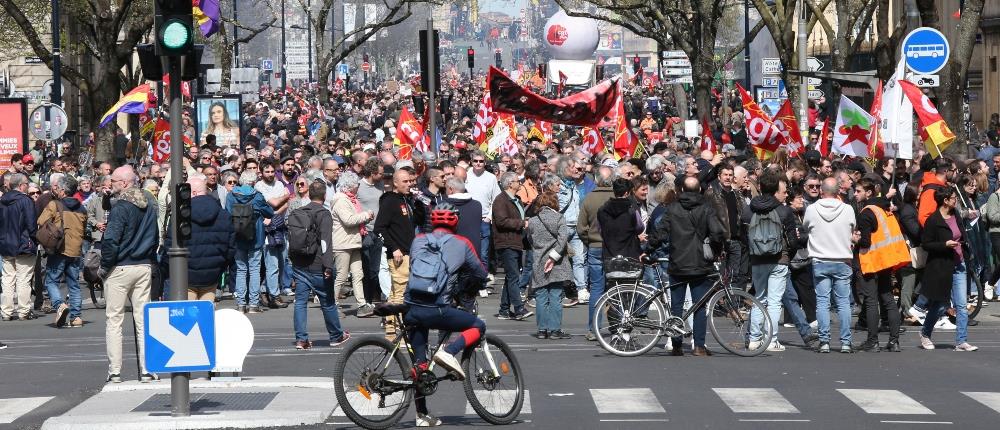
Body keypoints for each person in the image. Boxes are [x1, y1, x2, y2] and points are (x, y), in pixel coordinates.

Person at [402, 202, 488, 427]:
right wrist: (466, 287)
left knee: (420, 366)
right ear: (455, 221)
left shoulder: (418, 240)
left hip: (411, 307)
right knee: (478, 326)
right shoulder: (462, 243)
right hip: (437, 308)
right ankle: (449, 352)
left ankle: (422, 416)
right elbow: (480, 272)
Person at [648, 177, 726, 356]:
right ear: (699, 190)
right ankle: (699, 345)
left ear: (681, 189)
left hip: (678, 262)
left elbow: (660, 232)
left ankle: (676, 344)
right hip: (700, 263)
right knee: (699, 306)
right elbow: (717, 233)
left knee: (676, 306)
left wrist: (647, 248)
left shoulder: (673, 208)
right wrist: (717, 250)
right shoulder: (706, 208)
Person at [99, 166, 159, 383]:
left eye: (113, 181)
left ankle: (115, 371)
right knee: (143, 319)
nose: (110, 184)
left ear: (124, 183)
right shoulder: (150, 205)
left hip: (120, 266)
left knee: (114, 320)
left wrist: (105, 267)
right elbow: (155, 236)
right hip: (142, 264)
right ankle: (147, 369)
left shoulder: (121, 208)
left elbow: (111, 240)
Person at [742, 170, 803, 352]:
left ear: (760, 187)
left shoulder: (748, 210)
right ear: (776, 188)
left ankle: (754, 339)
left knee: (759, 298)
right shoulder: (784, 211)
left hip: (758, 258)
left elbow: (741, 235)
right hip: (779, 258)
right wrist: (788, 255)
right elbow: (793, 241)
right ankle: (771, 339)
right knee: (775, 302)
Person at [289, 181, 351, 350]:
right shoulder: (324, 214)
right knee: (328, 302)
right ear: (324, 196)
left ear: (308, 195)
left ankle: (301, 339)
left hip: (300, 264)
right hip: (318, 266)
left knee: (300, 302)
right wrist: (328, 266)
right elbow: (325, 242)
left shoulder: (299, 212)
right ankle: (336, 336)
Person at [919, 187, 978, 351]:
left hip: (959, 264)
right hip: (941, 267)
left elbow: (962, 235)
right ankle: (925, 333)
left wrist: (965, 249)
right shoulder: (933, 220)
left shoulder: (956, 215)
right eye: (953, 198)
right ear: (945, 201)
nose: (956, 200)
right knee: (940, 305)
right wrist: (944, 244)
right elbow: (926, 244)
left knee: (961, 305)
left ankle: (961, 341)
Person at [162, 173, 235, 303]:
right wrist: (221, 266)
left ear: (193, 192)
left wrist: (169, 268)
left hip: (185, 274)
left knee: (188, 317)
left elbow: (169, 246)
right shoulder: (223, 215)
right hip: (212, 273)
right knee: (206, 315)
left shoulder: (180, 216)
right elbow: (230, 247)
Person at [803, 177, 857, 353]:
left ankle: (824, 341)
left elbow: (806, 227)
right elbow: (853, 228)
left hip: (820, 259)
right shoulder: (848, 209)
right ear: (838, 191)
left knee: (823, 302)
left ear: (821, 190)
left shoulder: (811, 209)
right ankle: (846, 342)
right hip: (842, 259)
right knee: (843, 303)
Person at [853, 178, 907, 352]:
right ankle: (894, 341)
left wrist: (855, 240)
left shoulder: (866, 213)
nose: (855, 194)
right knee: (888, 299)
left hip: (872, 261)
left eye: (858, 191)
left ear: (869, 193)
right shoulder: (884, 208)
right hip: (886, 260)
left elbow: (866, 242)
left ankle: (872, 340)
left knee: (871, 301)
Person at [38, 175, 88, 327]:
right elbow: (85, 228)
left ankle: (60, 304)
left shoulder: (55, 205)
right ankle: (76, 317)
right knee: (74, 284)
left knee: (51, 281)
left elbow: (40, 221)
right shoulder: (82, 208)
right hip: (76, 250)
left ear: (62, 190)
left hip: (59, 249)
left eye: (58, 188)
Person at [374, 168, 417, 340]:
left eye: (410, 181)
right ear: (396, 183)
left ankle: (391, 331)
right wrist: (394, 247)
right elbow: (379, 228)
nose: (409, 184)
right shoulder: (390, 201)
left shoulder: (405, 200)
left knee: (395, 293)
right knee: (399, 294)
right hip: (399, 255)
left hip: (409, 252)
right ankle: (392, 334)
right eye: (405, 181)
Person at [226, 170, 275, 313]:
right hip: (256, 237)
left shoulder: (231, 196)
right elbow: (270, 212)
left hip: (238, 236)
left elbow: (227, 213)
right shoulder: (257, 196)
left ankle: (241, 303)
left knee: (241, 269)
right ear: (253, 182)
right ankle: (253, 304)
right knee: (254, 270)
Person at [526, 187, 571, 340]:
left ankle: (542, 330)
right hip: (557, 263)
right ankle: (555, 330)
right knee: (556, 296)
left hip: (539, 260)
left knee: (541, 296)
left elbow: (530, 240)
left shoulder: (532, 221)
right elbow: (563, 240)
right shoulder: (559, 218)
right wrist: (553, 257)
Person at [576, 166, 615, 340]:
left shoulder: (589, 198)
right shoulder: (618, 197)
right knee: (616, 288)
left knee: (597, 289)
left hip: (595, 246)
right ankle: (617, 325)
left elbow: (581, 228)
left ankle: (593, 329)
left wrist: (590, 240)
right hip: (614, 248)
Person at [330, 171, 376, 317]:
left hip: (353, 242)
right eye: (357, 185)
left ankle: (362, 305)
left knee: (358, 274)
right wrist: (366, 215)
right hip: (343, 243)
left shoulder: (351, 199)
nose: (358, 188)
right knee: (342, 276)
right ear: (349, 186)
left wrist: (364, 217)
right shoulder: (341, 200)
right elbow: (348, 220)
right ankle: (333, 305)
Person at [491, 172, 532, 321]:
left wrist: (524, 220)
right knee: (514, 276)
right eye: (517, 181)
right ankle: (519, 308)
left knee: (511, 277)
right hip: (506, 242)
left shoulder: (517, 199)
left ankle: (504, 309)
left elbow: (517, 217)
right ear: (509, 184)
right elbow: (501, 221)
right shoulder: (501, 200)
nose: (519, 183)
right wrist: (522, 223)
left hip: (516, 241)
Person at [0, 173, 38, 322]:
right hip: (23, 244)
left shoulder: (2, 200)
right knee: (23, 279)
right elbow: (31, 225)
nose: (28, 186)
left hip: (5, 244)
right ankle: (23, 311)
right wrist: (35, 239)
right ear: (22, 185)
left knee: (8, 279)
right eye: (27, 184)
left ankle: (6, 311)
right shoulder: (26, 201)